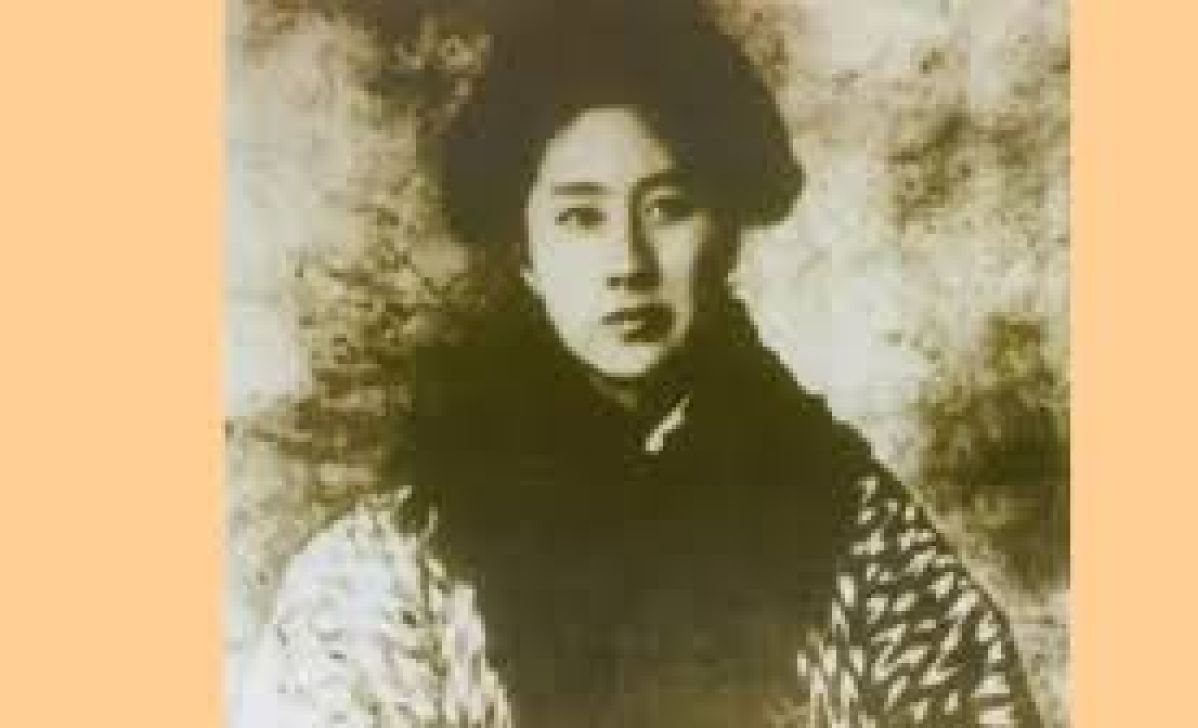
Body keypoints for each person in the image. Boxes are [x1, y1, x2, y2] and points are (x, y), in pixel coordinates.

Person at [235, 2, 1043, 726]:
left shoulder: (862, 542)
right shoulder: (385, 576)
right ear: (524, 251)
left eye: (668, 208)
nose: (627, 262)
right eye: (580, 218)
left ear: (726, 234)